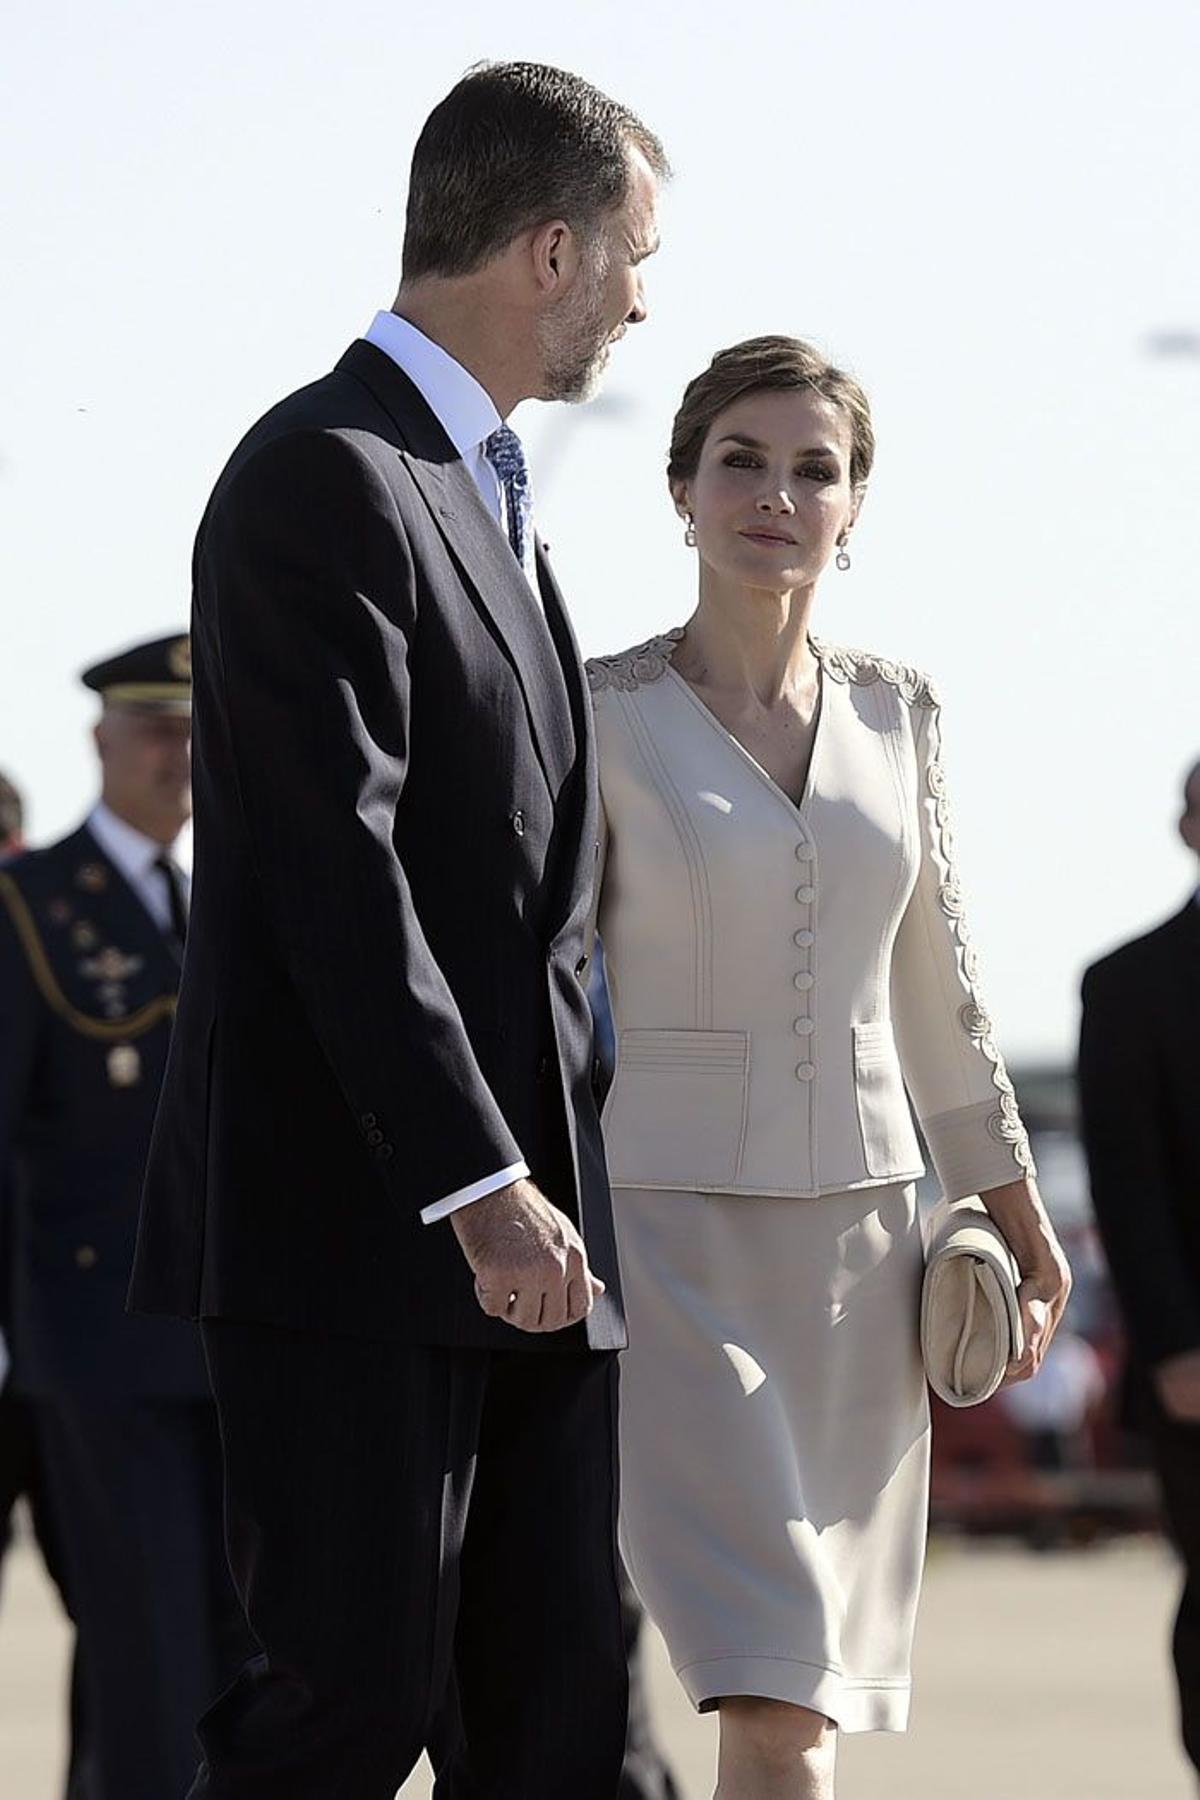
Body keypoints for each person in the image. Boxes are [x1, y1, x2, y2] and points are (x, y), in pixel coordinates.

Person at [129, 62, 666, 1800]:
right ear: (551, 247)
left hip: (535, 1254)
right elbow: (321, 871)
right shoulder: (324, 474)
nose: (645, 300)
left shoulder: (483, 487)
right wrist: (475, 1177)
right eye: (637, 257)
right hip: (363, 1235)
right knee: (346, 1709)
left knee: (561, 1712)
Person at [586, 336, 1071, 1800]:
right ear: (681, 489)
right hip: (668, 1249)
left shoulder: (897, 713)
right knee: (773, 1671)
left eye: (816, 469)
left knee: (805, 1702)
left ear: (856, 507)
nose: (776, 495)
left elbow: (941, 996)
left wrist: (1019, 1212)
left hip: (868, 1262)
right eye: (741, 460)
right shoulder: (593, 711)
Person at [0, 639, 249, 1800]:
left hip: (225, 1356)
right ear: (99, 738)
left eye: (198, 729)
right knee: (151, 1661)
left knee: (233, 1671)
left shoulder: (217, 910)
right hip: (94, 1352)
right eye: (155, 726)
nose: (180, 753)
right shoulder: (29, 906)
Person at [1078, 758, 1200, 1778]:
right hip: (1197, 1369)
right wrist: (1172, 1345)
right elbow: (1127, 1186)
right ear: (1188, 829)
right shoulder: (1127, 987)